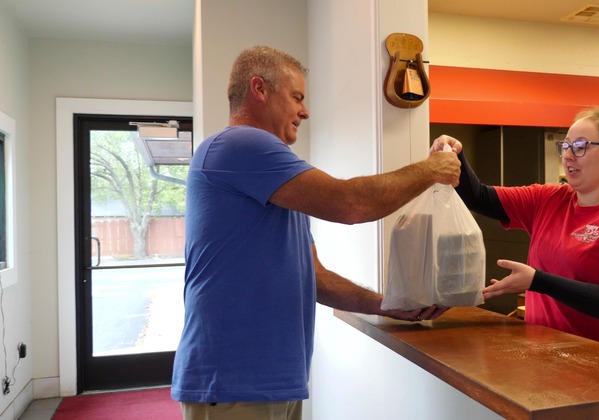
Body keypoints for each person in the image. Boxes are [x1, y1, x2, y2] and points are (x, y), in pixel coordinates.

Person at [171, 45, 460, 420]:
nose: (305, 111)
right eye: (297, 98)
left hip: (273, 381)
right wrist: (430, 169)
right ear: (259, 89)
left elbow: (314, 277)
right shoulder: (241, 144)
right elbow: (350, 203)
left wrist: (387, 305)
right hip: (233, 382)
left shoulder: (273, 180)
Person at [431, 104, 599, 348]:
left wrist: (537, 281)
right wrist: (454, 154)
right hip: (542, 354)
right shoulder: (549, 199)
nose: (568, 155)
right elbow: (478, 197)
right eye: (565, 146)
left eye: (580, 147)